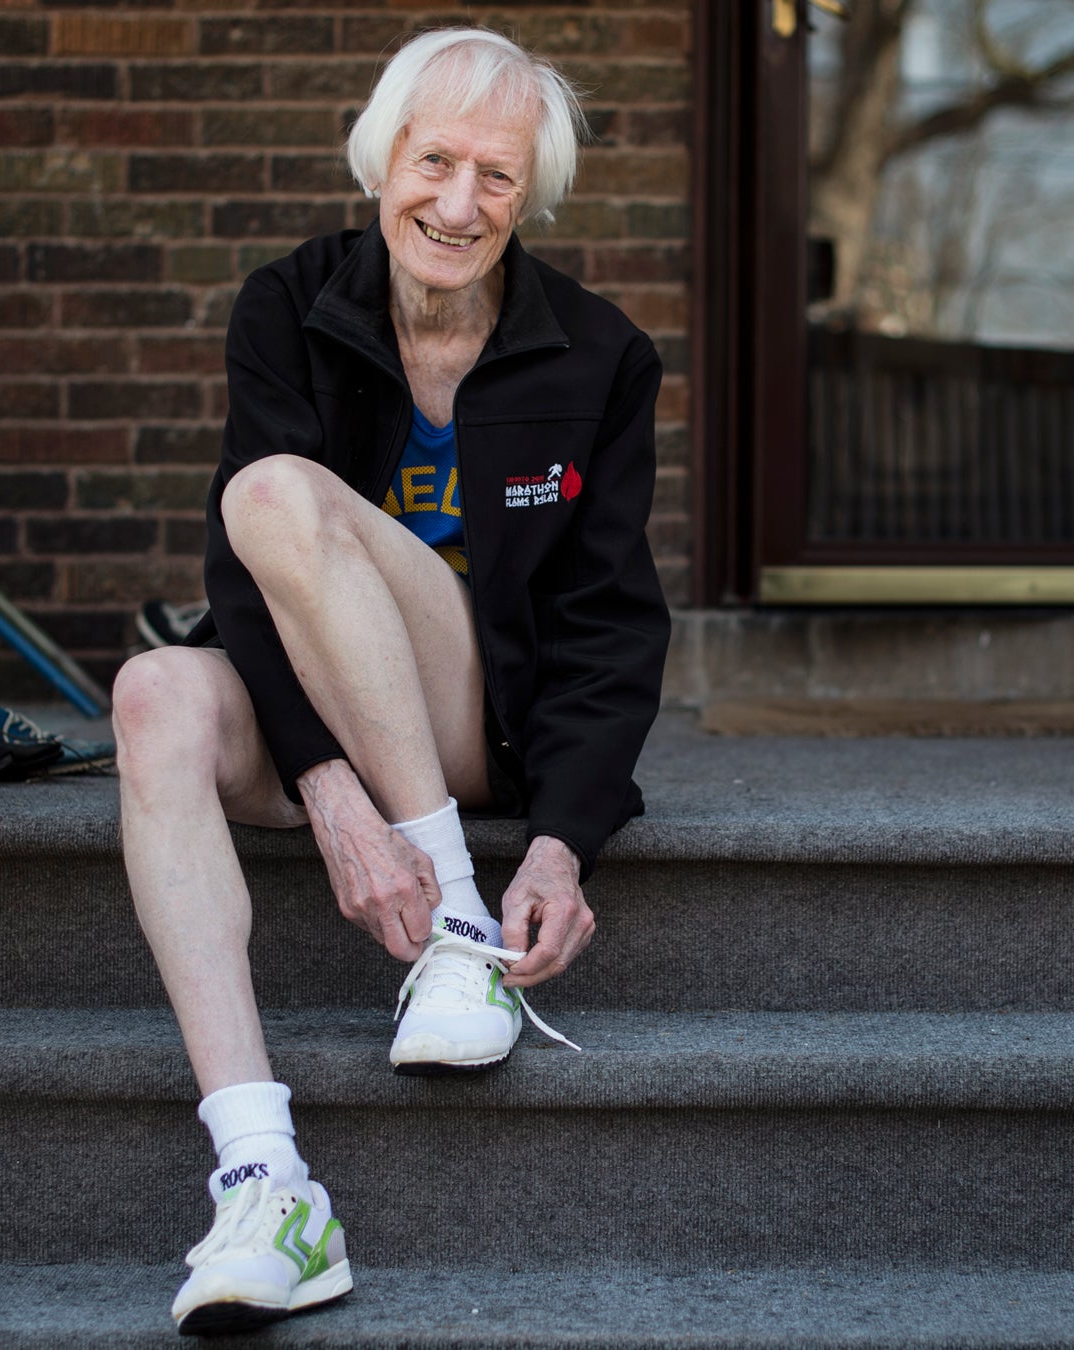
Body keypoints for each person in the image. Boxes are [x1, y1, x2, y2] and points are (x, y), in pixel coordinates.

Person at [105, 27, 670, 1336]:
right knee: (155, 693)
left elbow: (609, 624)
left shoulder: (600, 356)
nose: (458, 204)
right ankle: (264, 1178)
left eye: (495, 174)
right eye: (435, 162)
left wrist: (564, 843)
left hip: (481, 720)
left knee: (278, 493)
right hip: (328, 722)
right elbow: (248, 582)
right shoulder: (288, 306)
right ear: (381, 156)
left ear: (529, 194)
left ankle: (462, 923)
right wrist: (325, 788)